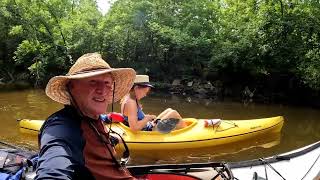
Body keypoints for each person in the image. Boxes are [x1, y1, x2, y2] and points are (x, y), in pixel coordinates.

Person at [35, 53, 136, 180]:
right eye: (93, 82)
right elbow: (52, 170)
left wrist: (111, 139)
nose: (103, 90)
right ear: (71, 87)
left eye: (107, 83)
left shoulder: (93, 117)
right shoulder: (61, 127)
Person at [120, 75, 186, 131]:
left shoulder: (129, 98)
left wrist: (147, 117)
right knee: (174, 113)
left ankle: (181, 129)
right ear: (136, 88)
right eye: (144, 91)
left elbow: (134, 118)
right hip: (148, 131)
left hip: (148, 126)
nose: (145, 95)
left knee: (169, 110)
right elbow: (134, 127)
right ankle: (186, 133)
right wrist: (147, 118)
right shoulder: (131, 103)